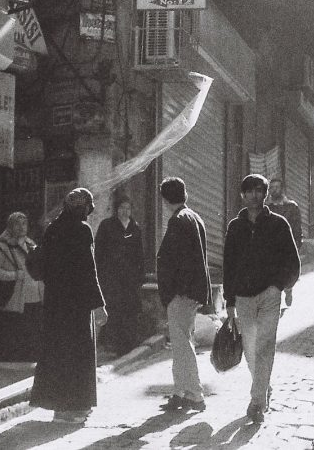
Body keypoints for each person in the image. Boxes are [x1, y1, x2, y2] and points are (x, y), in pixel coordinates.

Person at [224, 174, 301, 423]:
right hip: (243, 297)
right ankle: (263, 386)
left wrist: (280, 286)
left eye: (259, 190)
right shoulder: (235, 227)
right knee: (250, 349)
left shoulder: (278, 224)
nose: (254, 195)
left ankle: (257, 402)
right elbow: (229, 265)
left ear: (265, 194)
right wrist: (229, 301)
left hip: (269, 295)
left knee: (265, 345)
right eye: (249, 191)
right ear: (242, 195)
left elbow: (292, 261)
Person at [29, 187, 106, 423]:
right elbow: (87, 270)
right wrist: (99, 304)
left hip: (54, 303)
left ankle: (58, 408)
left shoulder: (53, 228)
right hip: (76, 304)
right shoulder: (82, 230)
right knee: (78, 354)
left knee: (57, 352)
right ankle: (76, 407)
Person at [155, 177, 211, 412]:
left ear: (166, 199)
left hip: (182, 292)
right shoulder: (193, 217)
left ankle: (195, 395)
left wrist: (173, 292)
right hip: (191, 291)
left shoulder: (178, 221)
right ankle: (181, 392)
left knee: (182, 344)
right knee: (182, 342)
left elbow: (176, 261)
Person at [95, 195, 146, 356]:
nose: (125, 212)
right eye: (122, 208)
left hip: (130, 279)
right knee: (113, 309)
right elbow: (99, 252)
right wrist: (100, 274)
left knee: (129, 310)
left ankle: (128, 345)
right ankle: (112, 345)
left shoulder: (134, 228)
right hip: (111, 277)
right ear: (116, 209)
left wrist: (140, 276)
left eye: (128, 208)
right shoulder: (107, 225)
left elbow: (140, 254)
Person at [0, 211, 44, 362]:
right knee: (17, 334)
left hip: (35, 299)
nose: (21, 227)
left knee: (33, 334)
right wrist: (14, 275)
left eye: (24, 223)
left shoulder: (31, 245)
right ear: (10, 226)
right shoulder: (1, 247)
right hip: (15, 300)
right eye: (17, 223)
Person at [266, 178, 301, 309]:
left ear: (282, 189)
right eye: (272, 187)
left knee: (287, 273)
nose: (274, 190)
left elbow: (297, 228)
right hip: (271, 246)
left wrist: (297, 244)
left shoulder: (291, 207)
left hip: (287, 246)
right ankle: (275, 300)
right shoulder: (267, 208)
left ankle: (288, 290)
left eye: (277, 187)